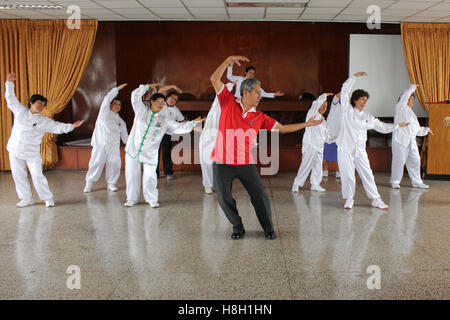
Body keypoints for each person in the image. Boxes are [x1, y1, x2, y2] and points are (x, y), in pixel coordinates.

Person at [210, 55, 323, 240]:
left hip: (245, 162)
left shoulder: (260, 117)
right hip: (221, 162)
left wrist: (307, 124)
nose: (260, 96)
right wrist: (228, 59)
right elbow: (214, 79)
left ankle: (268, 228)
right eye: (257, 92)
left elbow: (283, 129)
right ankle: (237, 225)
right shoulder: (228, 102)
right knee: (224, 199)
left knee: (260, 197)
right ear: (245, 92)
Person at [4, 72, 84, 207]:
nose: (41, 106)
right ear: (31, 103)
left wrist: (72, 126)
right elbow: (10, 99)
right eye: (39, 103)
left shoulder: (43, 120)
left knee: (37, 175)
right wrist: (9, 83)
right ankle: (26, 198)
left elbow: (57, 127)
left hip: (32, 153)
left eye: (43, 104)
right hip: (14, 149)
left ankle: (47, 198)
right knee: (18, 175)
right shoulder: (20, 111)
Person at [336, 72, 409, 210]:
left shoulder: (367, 115)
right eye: (362, 99)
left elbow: (380, 126)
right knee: (348, 174)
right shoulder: (347, 110)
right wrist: (354, 78)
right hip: (345, 148)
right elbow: (344, 91)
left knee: (367, 173)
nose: (364, 102)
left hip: (360, 150)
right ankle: (349, 199)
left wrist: (397, 125)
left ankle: (375, 199)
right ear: (355, 100)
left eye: (366, 100)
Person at [124, 84, 205, 208]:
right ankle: (131, 199)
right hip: (133, 149)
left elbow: (178, 127)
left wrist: (193, 123)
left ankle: (151, 199)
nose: (162, 104)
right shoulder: (141, 110)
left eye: (163, 102)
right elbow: (135, 96)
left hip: (150, 153)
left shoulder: (164, 120)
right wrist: (147, 87)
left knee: (150, 176)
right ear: (151, 101)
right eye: (159, 101)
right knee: (131, 175)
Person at [84, 83, 129, 193]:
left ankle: (111, 183)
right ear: (110, 105)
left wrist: (130, 145)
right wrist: (116, 90)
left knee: (115, 163)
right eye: (115, 103)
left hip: (113, 146)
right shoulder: (104, 114)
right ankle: (89, 182)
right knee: (96, 162)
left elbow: (125, 136)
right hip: (100, 144)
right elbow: (106, 99)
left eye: (119, 104)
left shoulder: (121, 122)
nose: (117, 106)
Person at [390, 84, 433, 189]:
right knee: (399, 161)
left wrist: (426, 130)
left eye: (413, 99)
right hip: (400, 140)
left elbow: (416, 129)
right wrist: (412, 87)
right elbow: (405, 96)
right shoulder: (400, 107)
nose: (411, 100)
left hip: (411, 141)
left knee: (416, 160)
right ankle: (395, 181)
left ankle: (416, 181)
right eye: (409, 98)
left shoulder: (411, 113)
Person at [292, 93, 334, 193]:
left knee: (318, 166)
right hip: (310, 145)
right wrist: (324, 96)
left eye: (326, 106)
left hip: (319, 147)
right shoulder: (312, 113)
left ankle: (315, 184)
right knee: (306, 165)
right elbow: (316, 103)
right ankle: (296, 184)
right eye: (322, 105)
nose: (324, 107)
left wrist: (336, 139)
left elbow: (327, 137)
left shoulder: (324, 121)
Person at [199, 81, 236, 194]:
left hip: (221, 138)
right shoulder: (216, 105)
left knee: (220, 163)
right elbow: (221, 91)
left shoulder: (231, 108)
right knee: (206, 162)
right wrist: (231, 84)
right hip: (208, 137)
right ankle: (208, 185)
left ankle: (219, 184)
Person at [156, 85, 185, 180]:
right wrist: (173, 86)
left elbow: (182, 121)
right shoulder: (161, 103)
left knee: (166, 153)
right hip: (156, 132)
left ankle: (168, 172)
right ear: (167, 97)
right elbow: (160, 90)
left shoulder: (176, 110)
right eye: (172, 98)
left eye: (175, 100)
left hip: (167, 134)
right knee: (155, 153)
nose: (173, 100)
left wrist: (192, 124)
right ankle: (154, 173)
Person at [323, 93, 342, 179]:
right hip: (329, 135)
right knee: (326, 155)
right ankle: (325, 171)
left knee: (339, 156)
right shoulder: (335, 105)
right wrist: (345, 89)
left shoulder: (348, 108)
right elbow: (336, 97)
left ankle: (338, 172)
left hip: (340, 136)